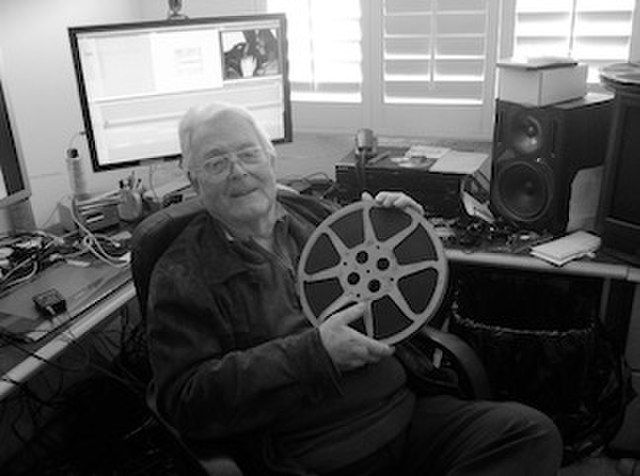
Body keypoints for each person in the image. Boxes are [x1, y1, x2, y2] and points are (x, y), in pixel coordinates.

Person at [146, 102, 563, 475]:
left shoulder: (318, 216)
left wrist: (411, 241)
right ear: (194, 181)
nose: (238, 172)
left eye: (248, 154)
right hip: (312, 451)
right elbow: (187, 401)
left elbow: (402, 315)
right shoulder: (182, 273)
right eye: (216, 162)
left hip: (404, 413)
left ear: (271, 159)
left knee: (530, 434)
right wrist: (315, 353)